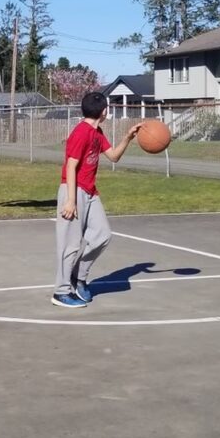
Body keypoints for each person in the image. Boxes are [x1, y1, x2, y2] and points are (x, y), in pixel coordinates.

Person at [52, 92, 142, 308]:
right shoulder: (81, 133)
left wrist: (128, 137)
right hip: (73, 191)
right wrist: (70, 201)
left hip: (90, 192)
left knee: (102, 235)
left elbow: (113, 156)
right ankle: (61, 291)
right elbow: (71, 166)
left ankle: (78, 276)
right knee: (70, 244)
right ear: (104, 112)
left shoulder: (96, 132)